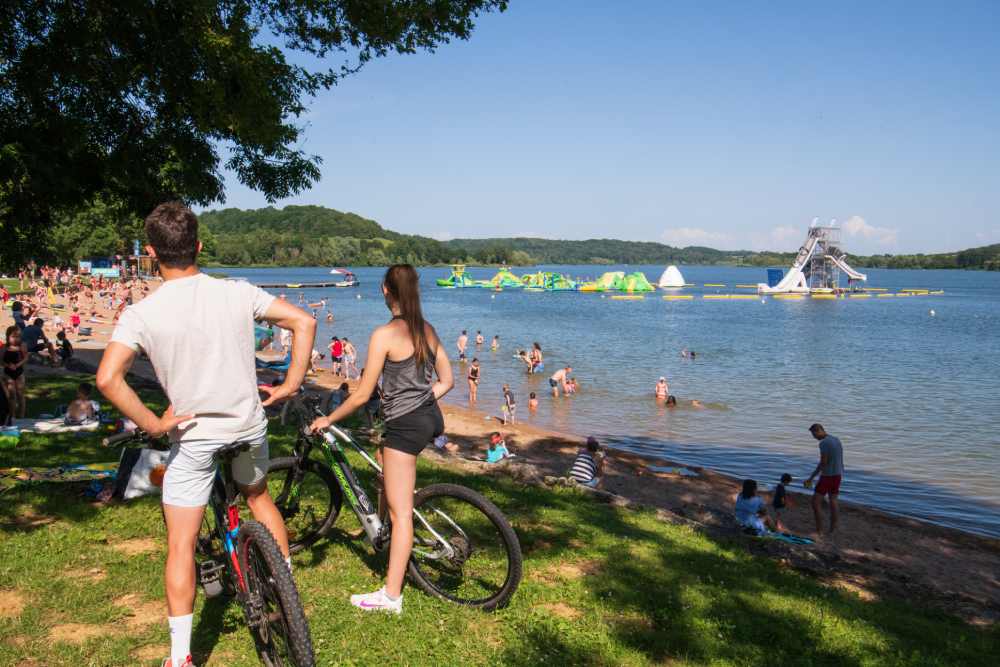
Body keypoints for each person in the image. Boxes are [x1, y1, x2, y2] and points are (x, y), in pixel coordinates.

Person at [96, 202, 316, 667]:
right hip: (246, 424)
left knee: (180, 543)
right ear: (198, 245)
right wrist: (291, 384)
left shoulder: (143, 312)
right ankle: (285, 590)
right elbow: (304, 321)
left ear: (151, 252)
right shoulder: (235, 292)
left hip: (195, 436)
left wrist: (155, 424)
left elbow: (108, 379)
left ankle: (180, 658)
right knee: (258, 498)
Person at [308, 264, 453, 615]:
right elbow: (447, 380)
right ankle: (382, 532)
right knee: (384, 470)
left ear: (385, 290)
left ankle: (391, 596)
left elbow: (360, 396)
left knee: (401, 513)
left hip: (406, 424)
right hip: (429, 416)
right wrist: (420, 399)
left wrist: (327, 418)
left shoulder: (384, 334)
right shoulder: (427, 330)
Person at [804, 423, 844, 536]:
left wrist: (811, 477)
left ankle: (819, 531)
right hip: (838, 474)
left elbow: (823, 462)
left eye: (813, 434)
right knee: (833, 501)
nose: (814, 437)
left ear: (818, 431)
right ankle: (833, 528)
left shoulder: (824, 443)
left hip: (827, 476)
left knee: (815, 503)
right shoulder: (836, 439)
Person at [3, 326, 27, 419]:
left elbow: (25, 357)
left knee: (20, 394)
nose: (16, 339)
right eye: (13, 336)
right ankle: (12, 415)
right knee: (12, 395)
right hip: (8, 373)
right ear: (8, 336)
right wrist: (7, 365)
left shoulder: (22, 345)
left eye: (18, 336)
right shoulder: (4, 347)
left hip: (19, 372)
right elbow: (0, 360)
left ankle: (21, 415)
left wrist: (18, 365)